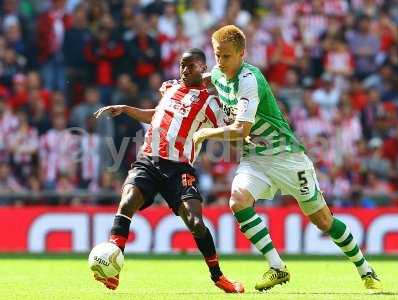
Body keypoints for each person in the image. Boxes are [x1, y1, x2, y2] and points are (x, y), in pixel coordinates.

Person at [193, 25, 382, 293]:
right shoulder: (218, 74)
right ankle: (277, 267)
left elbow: (240, 130)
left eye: (226, 56)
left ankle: (365, 268)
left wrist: (204, 134)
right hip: (255, 158)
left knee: (323, 221)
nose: (220, 62)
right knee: (238, 200)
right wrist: (176, 87)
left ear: (241, 54)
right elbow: (202, 79)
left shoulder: (250, 79)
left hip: (287, 157)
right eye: (217, 55)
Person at [93, 48, 244, 293]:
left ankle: (218, 276)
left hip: (179, 169)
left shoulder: (209, 102)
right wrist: (126, 108)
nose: (184, 70)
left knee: (195, 222)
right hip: (149, 162)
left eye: (190, 66)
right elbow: (157, 115)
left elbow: (229, 130)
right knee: (127, 202)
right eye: (182, 65)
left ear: (202, 68)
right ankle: (113, 269)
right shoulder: (169, 88)